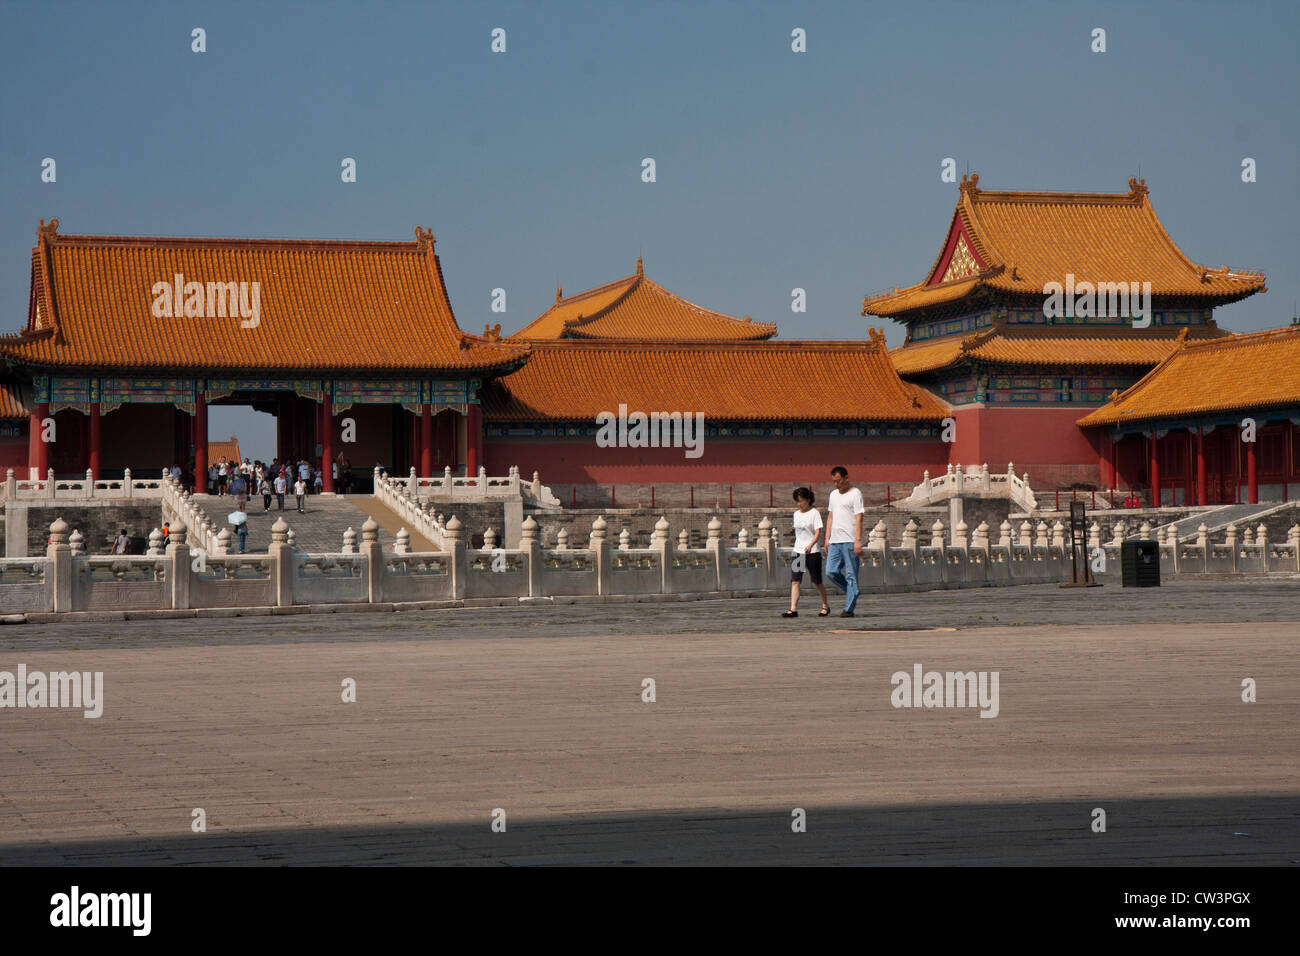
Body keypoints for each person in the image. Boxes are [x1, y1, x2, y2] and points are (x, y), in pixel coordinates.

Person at [824, 465, 864, 618]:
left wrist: (858, 541)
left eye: (839, 480)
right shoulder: (833, 495)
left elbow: (859, 517)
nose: (836, 484)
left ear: (847, 478)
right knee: (830, 571)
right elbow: (830, 517)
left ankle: (849, 609)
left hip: (849, 540)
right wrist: (827, 539)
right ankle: (852, 591)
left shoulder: (855, 494)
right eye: (834, 481)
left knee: (851, 574)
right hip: (835, 540)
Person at [783, 487, 829, 618]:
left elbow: (818, 532)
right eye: (797, 501)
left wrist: (810, 545)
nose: (799, 504)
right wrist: (802, 546)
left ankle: (825, 606)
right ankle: (793, 609)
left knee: (817, 581)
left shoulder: (814, 513)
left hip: (812, 552)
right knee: (795, 581)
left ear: (808, 500)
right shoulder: (796, 514)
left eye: (801, 501)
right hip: (798, 551)